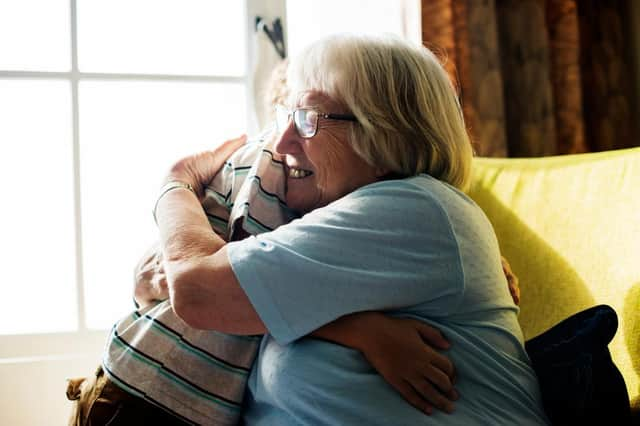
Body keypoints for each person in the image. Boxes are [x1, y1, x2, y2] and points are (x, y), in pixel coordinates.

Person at [152, 34, 550, 425]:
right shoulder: (318, 218)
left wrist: (176, 183)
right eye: (287, 117)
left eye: (309, 120)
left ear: (383, 135)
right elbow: (152, 281)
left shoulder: (412, 210)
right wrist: (355, 328)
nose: (283, 142)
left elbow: (194, 289)